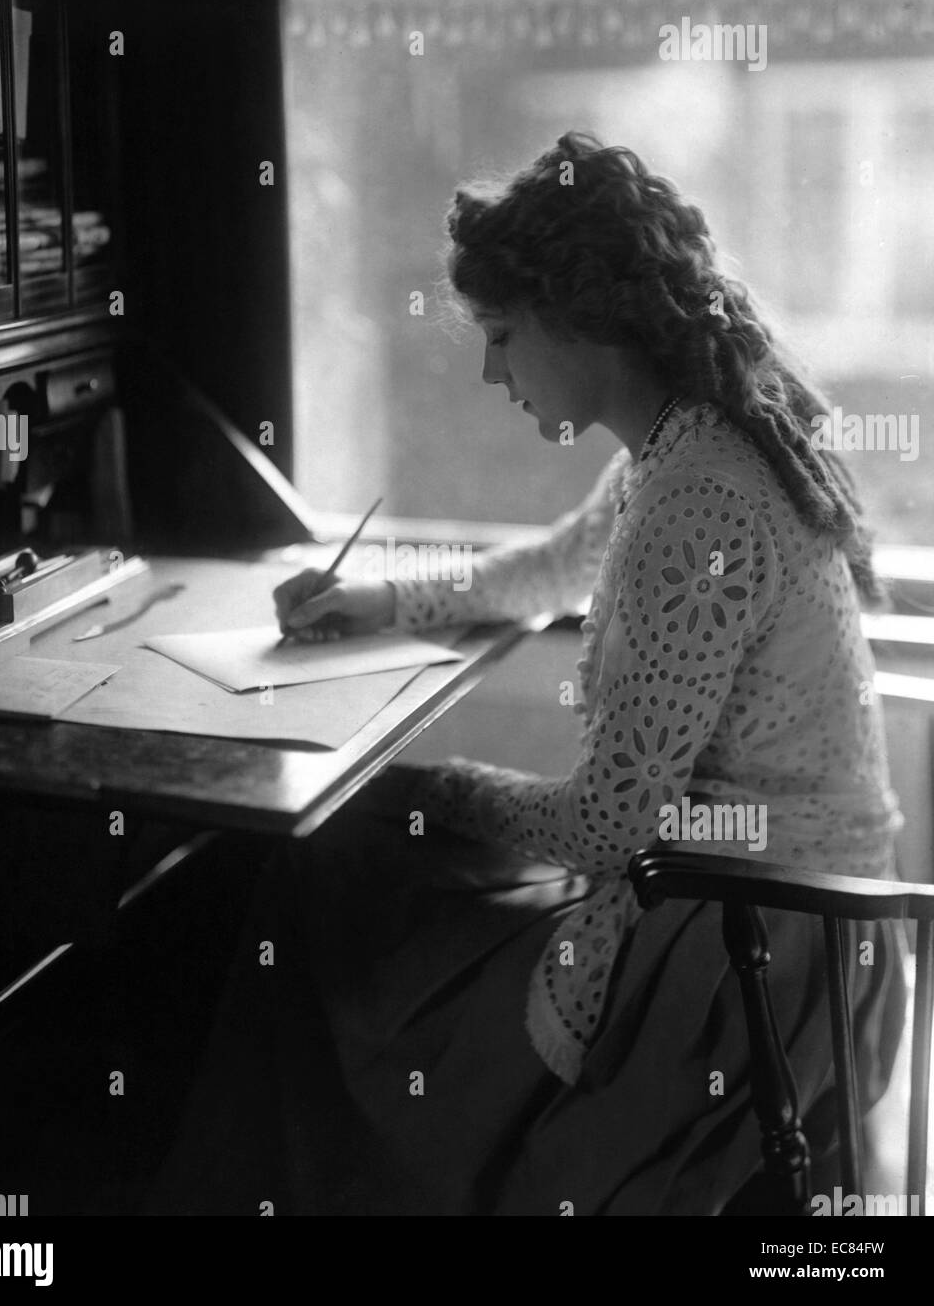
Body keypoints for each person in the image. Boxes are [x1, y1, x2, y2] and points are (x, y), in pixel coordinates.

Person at [149, 131, 906, 1217]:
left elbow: (606, 824)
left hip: (752, 954)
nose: (492, 371)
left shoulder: (700, 495)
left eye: (502, 336)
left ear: (578, 316)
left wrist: (437, 791)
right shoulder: (684, 443)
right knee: (355, 877)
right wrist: (372, 601)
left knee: (343, 890)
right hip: (767, 911)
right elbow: (553, 565)